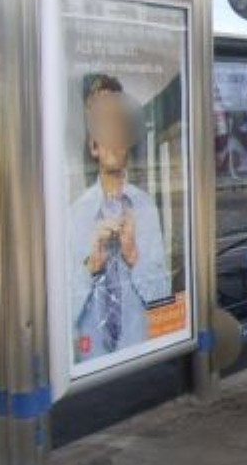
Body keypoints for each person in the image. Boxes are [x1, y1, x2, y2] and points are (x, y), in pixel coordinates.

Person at [69, 74, 171, 364]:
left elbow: (162, 298)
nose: (113, 135)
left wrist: (134, 256)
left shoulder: (145, 207)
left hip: (140, 353)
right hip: (90, 361)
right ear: (93, 145)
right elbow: (63, 313)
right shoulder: (75, 215)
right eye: (103, 124)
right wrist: (90, 267)